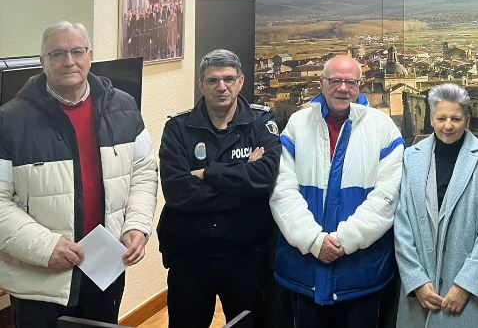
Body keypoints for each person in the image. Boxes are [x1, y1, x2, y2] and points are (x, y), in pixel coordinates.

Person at [0, 21, 158, 328]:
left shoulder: (124, 108)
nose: (69, 61)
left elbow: (143, 172)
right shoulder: (10, 122)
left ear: (90, 56)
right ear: (42, 61)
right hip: (42, 281)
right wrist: (47, 247)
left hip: (104, 270)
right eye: (57, 53)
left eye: (77, 51)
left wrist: (137, 224)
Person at [270, 54, 404, 328]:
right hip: (306, 268)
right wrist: (313, 241)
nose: (342, 88)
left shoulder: (382, 128)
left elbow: (388, 196)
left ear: (361, 84)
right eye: (335, 81)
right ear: (322, 83)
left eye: (350, 82)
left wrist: (345, 240)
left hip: (359, 270)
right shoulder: (297, 124)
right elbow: (282, 191)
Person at [157, 49, 281, 328]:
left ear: (241, 81)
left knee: (250, 324)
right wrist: (241, 184)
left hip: (246, 254)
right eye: (213, 80)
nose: (221, 87)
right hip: (190, 254)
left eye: (228, 79)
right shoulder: (178, 128)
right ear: (201, 84)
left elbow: (265, 177)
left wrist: (207, 173)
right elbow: (178, 191)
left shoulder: (261, 123)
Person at [394, 83, 478, 328]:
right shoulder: (411, 157)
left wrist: (465, 285)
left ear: (467, 119)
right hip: (421, 294)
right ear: (431, 118)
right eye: (441, 118)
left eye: (456, 118)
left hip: (470, 297)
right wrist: (416, 282)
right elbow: (402, 225)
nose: (448, 125)